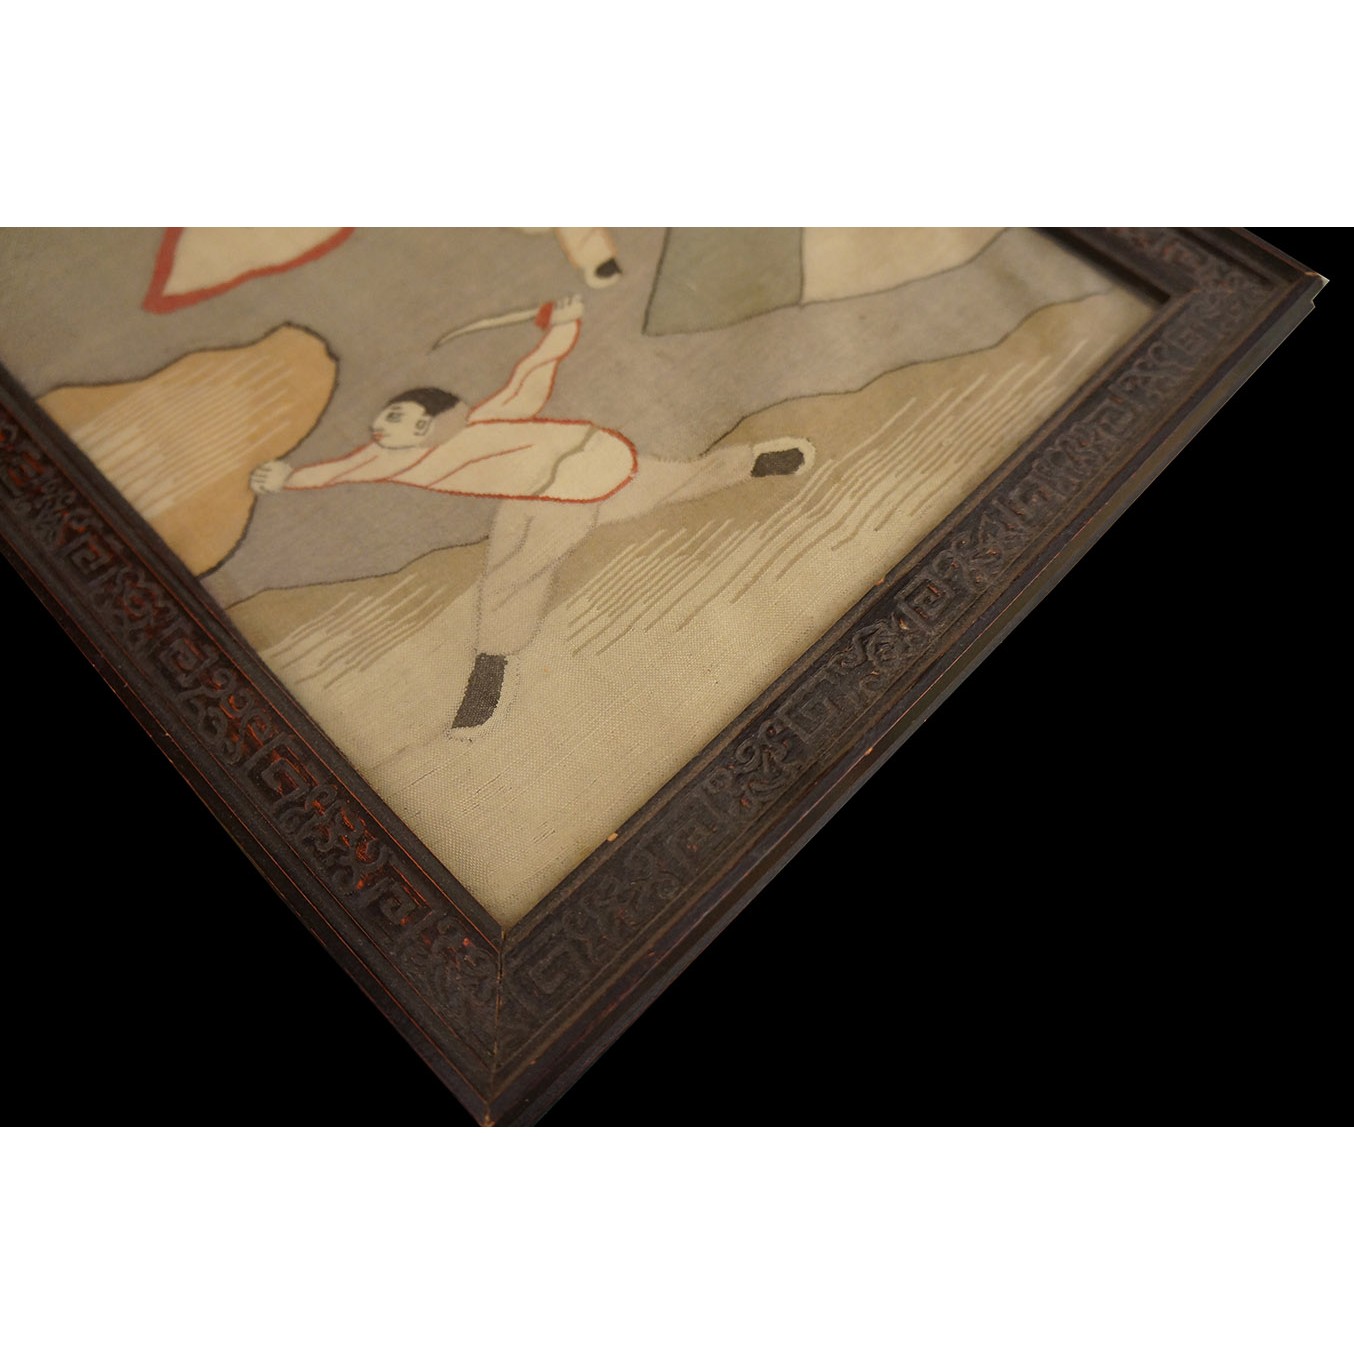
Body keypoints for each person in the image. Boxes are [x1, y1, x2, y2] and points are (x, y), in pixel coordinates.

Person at [252, 296, 814, 735]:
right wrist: (287, 478)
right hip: (537, 499)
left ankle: (757, 462)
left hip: (588, 465)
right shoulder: (387, 459)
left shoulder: (484, 420)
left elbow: (535, 371)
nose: (382, 426)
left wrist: (563, 325)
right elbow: (341, 470)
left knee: (676, 482)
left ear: (429, 420)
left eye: (396, 417)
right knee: (511, 574)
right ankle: (490, 670)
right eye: (384, 421)